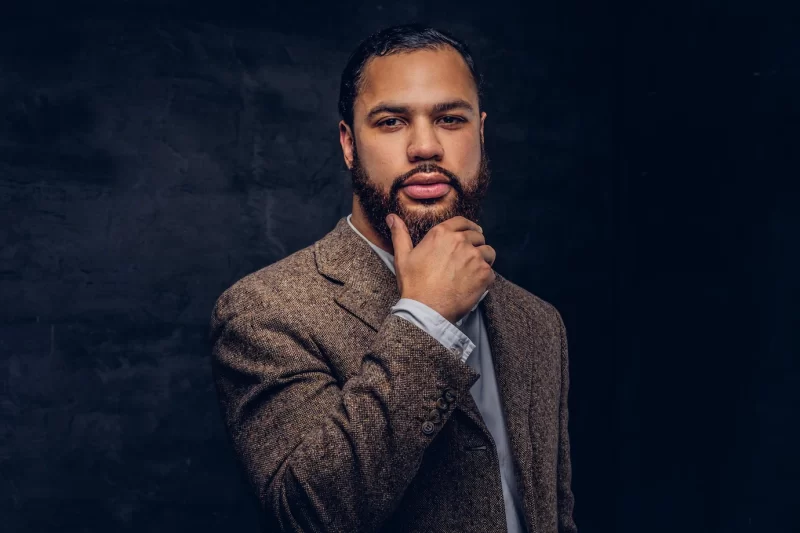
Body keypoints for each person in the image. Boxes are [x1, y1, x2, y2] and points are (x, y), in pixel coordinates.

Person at [210, 24, 577, 533]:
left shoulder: (537, 322)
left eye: (450, 119)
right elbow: (311, 513)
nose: (425, 147)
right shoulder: (266, 312)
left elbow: (552, 515)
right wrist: (426, 319)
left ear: (481, 132)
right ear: (347, 143)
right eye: (391, 122)